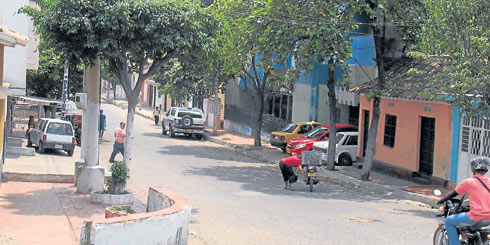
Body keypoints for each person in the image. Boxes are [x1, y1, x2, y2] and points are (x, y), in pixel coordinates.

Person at [436, 156, 490, 245]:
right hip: (488, 218)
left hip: (475, 216)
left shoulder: (469, 182)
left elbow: (453, 193)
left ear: (473, 168)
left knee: (448, 221)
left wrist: (442, 200)